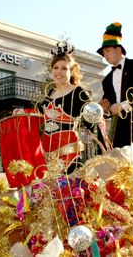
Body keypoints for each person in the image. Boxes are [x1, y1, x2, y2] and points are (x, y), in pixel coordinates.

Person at [40, 42, 92, 173]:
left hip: (70, 154)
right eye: (56, 67)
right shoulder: (50, 93)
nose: (59, 72)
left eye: (64, 68)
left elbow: (93, 119)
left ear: (72, 71)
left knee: (68, 191)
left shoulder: (78, 92)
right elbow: (38, 116)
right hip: (47, 156)